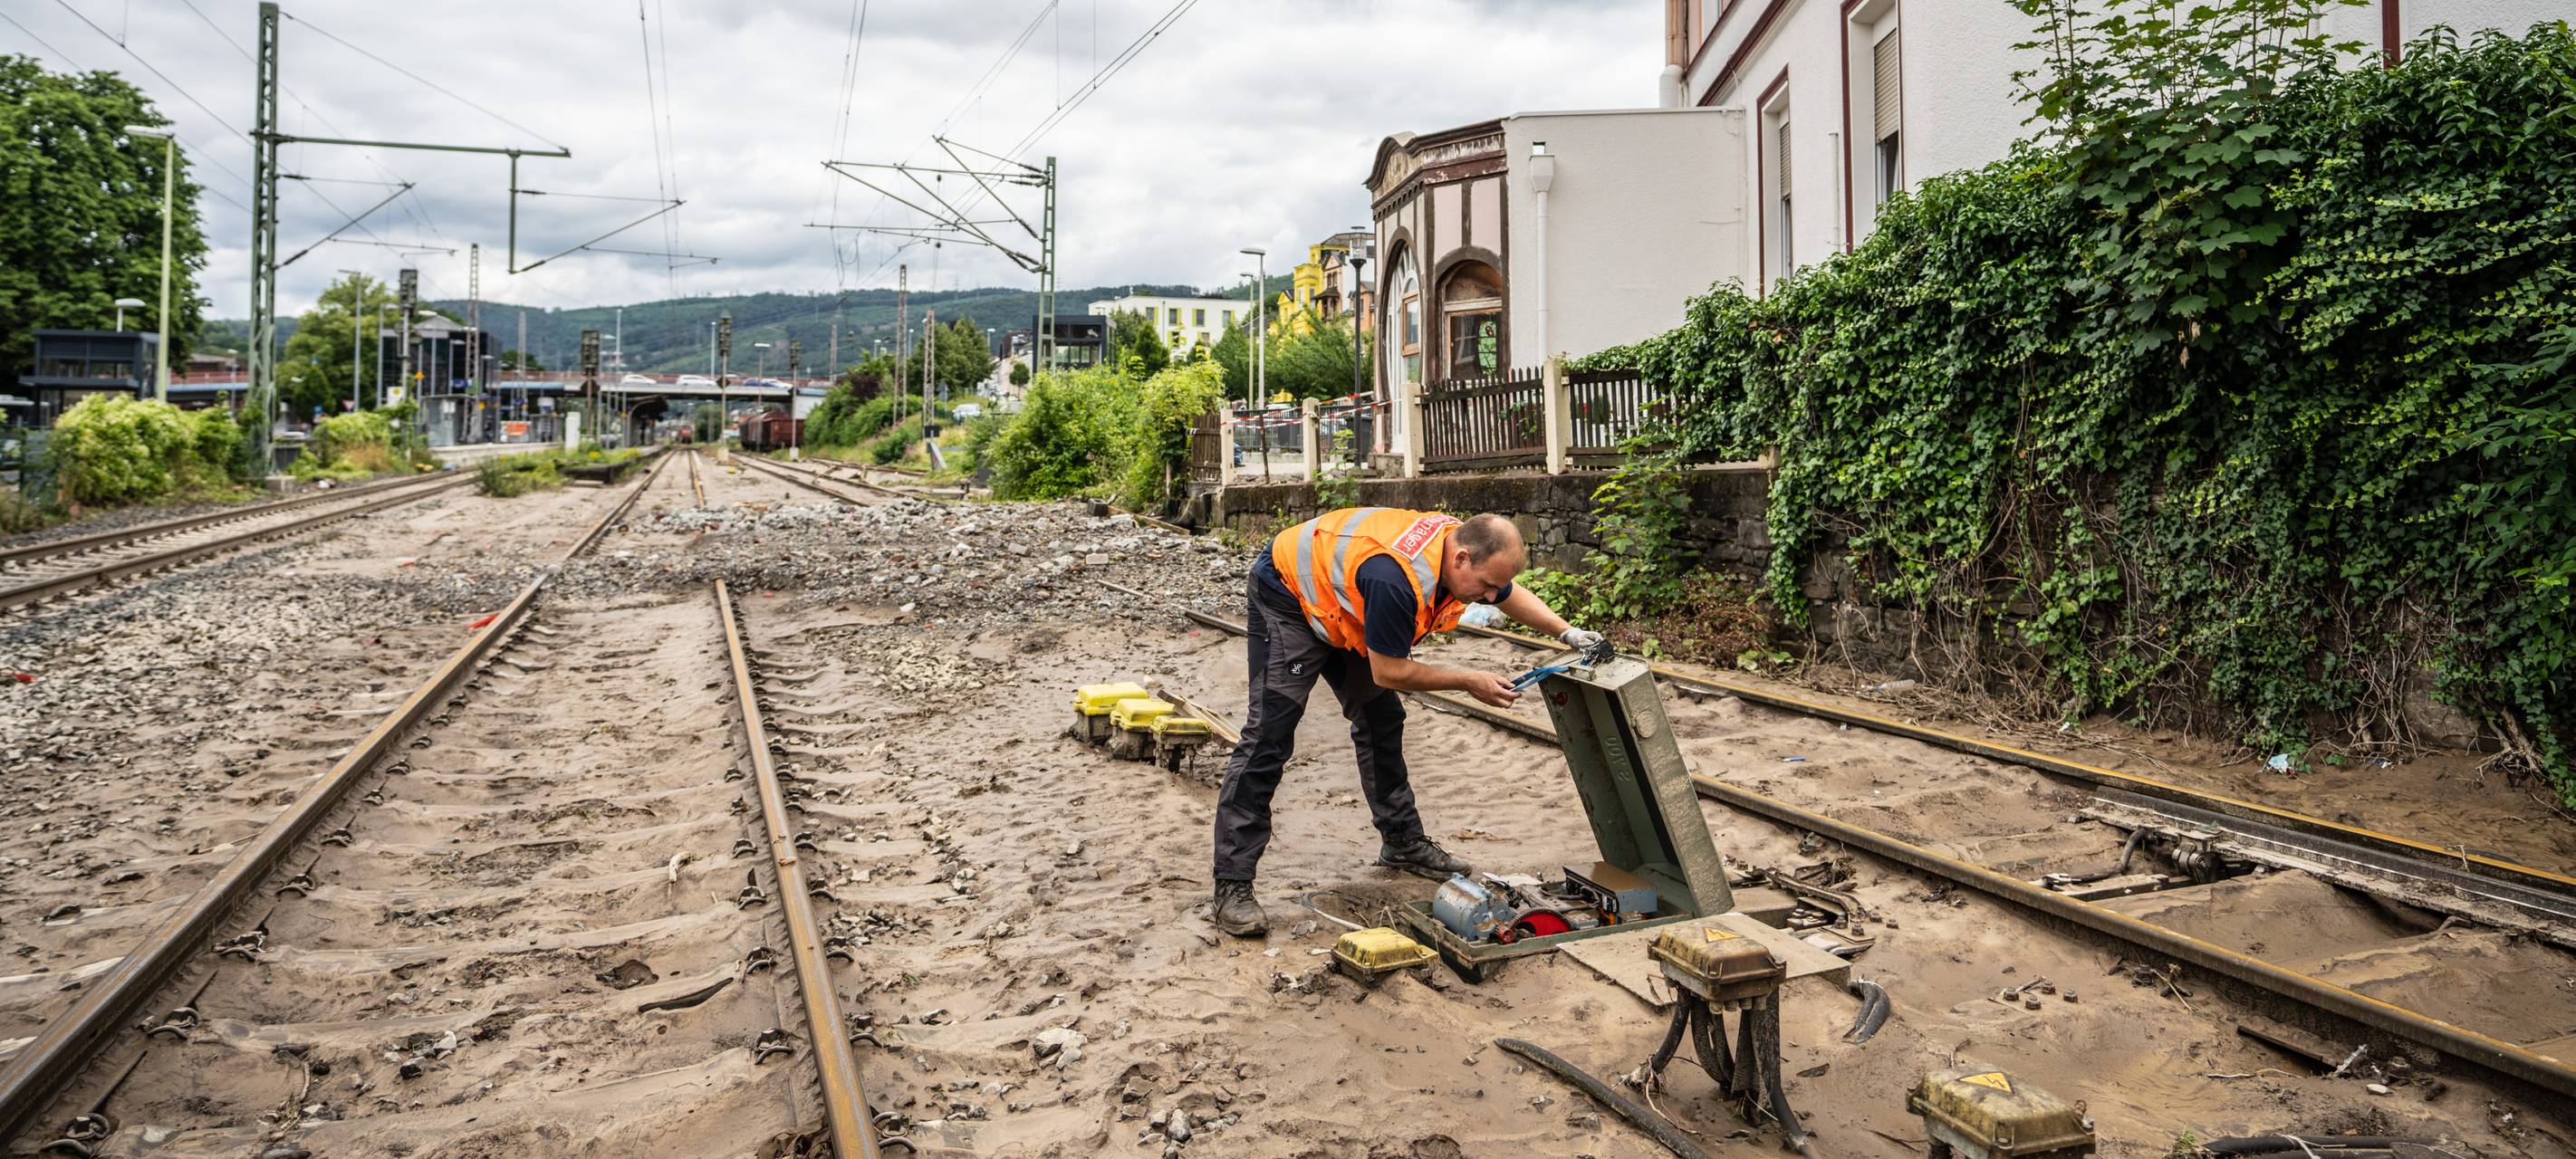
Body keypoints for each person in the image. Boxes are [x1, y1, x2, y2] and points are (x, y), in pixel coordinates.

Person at [1211, 508, 1601, 935]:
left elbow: (1507, 592)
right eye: (1486, 586)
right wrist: (1468, 681)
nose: (1490, 598)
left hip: (1346, 601)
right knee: (1269, 735)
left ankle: (1401, 842)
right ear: (1461, 559)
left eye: (1496, 587)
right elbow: (1389, 672)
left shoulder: (1463, 549)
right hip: (1290, 596)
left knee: (1382, 717)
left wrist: (1567, 633)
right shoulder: (1394, 578)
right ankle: (1233, 882)